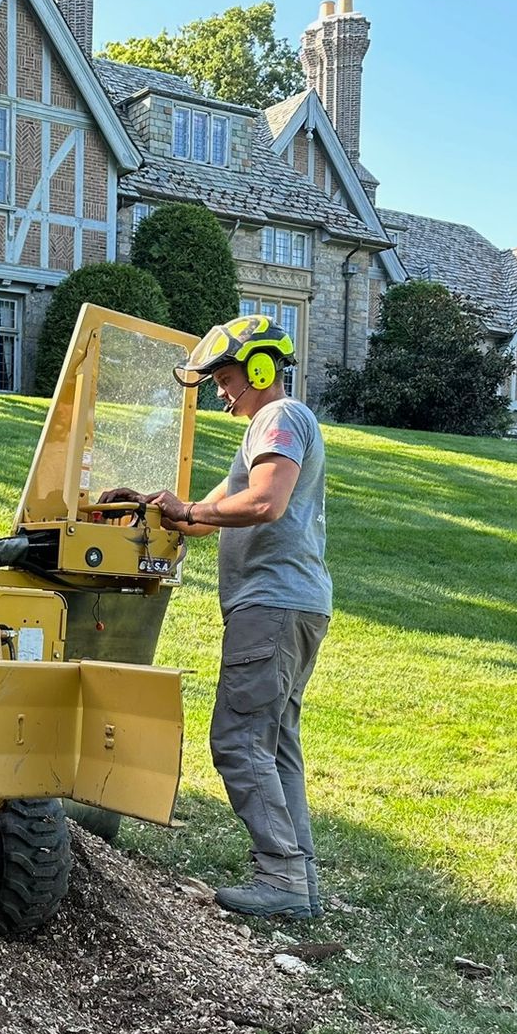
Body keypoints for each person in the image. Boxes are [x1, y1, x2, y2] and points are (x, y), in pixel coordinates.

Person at [147, 314, 331, 920]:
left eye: (224, 378)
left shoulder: (278, 419)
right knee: (274, 746)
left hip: (272, 606)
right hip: (296, 604)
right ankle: (298, 880)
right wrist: (178, 517)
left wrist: (194, 507)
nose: (220, 392)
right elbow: (230, 508)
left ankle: (280, 879)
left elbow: (265, 502)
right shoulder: (280, 425)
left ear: (259, 369)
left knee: (238, 739)